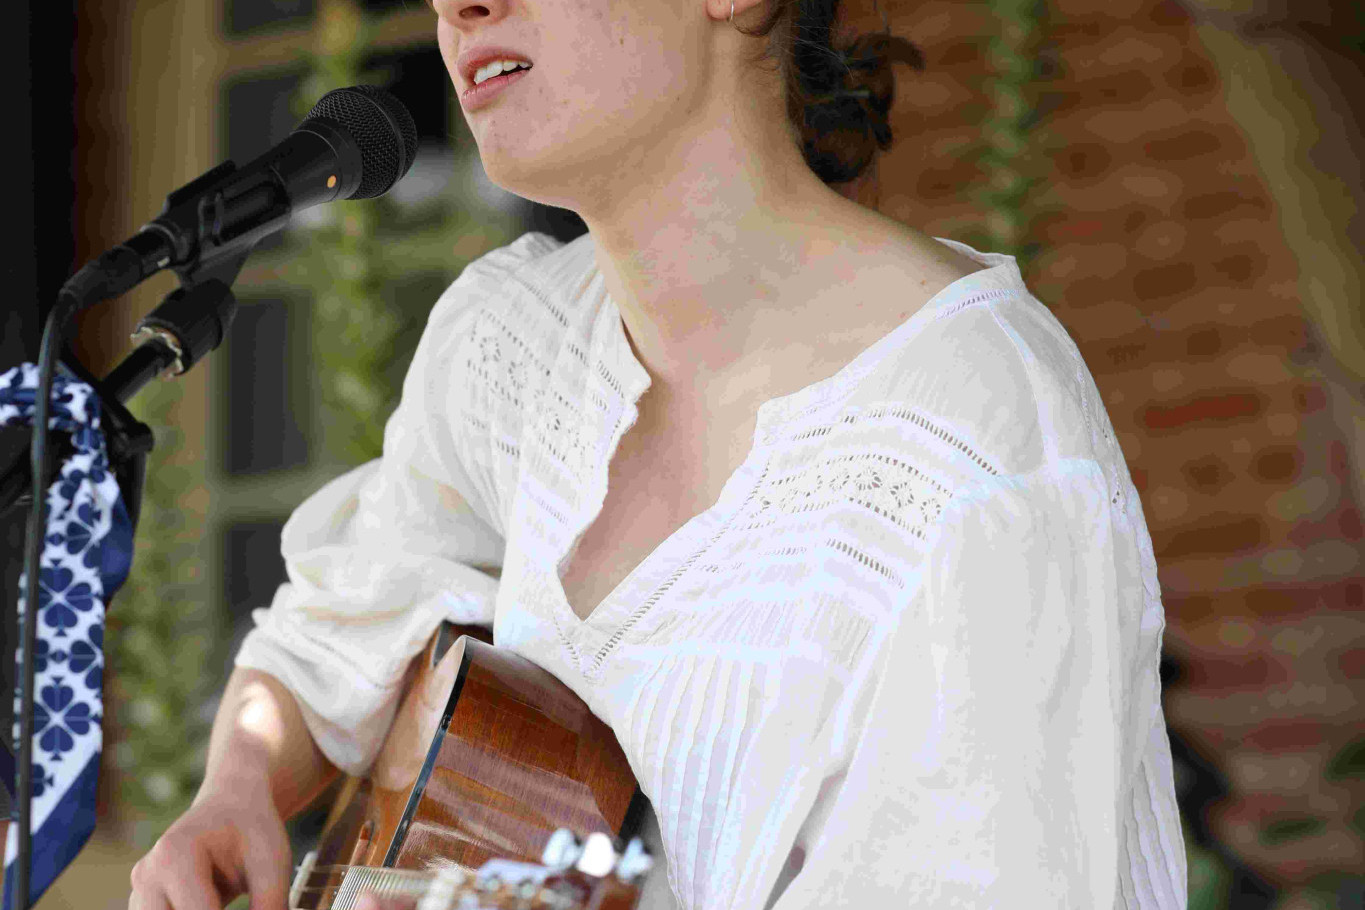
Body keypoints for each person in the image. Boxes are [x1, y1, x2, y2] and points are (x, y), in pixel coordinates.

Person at [127, 0, 1189, 908]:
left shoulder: (981, 453)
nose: (459, 4)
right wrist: (239, 790)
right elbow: (329, 639)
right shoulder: (516, 348)